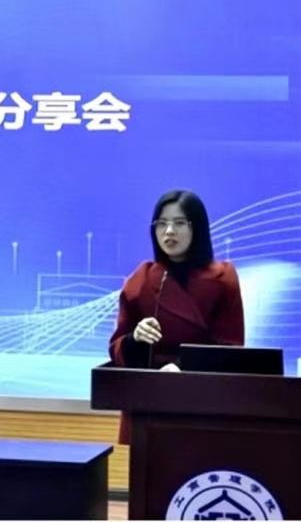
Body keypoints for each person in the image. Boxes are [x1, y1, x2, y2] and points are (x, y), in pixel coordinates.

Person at [108, 189, 244, 443]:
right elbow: (116, 348)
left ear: (197, 227)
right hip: (148, 403)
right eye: (162, 223)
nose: (169, 231)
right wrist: (135, 339)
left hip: (203, 404)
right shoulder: (140, 279)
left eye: (179, 223)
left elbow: (232, 350)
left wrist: (184, 369)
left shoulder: (223, 278)